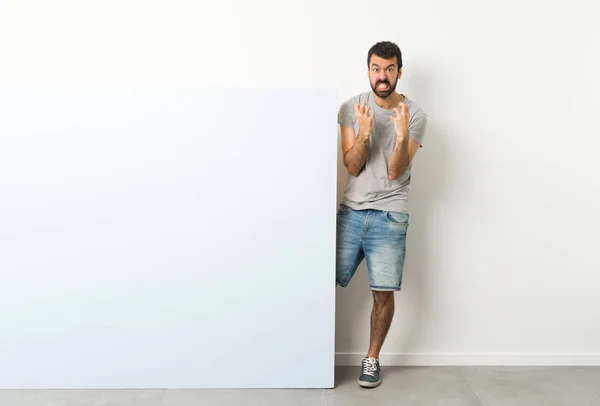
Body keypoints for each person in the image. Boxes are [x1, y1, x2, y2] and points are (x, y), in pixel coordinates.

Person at [336, 41, 427, 388]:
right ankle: (304, 347)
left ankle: (372, 359)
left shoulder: (415, 115)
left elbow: (394, 172)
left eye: (389, 69)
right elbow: (353, 165)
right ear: (368, 70)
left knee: (382, 292)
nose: (383, 76)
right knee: (317, 278)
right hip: (351, 212)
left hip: (391, 216)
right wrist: (366, 132)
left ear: (399, 72)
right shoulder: (351, 108)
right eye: (376, 68)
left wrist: (401, 135)